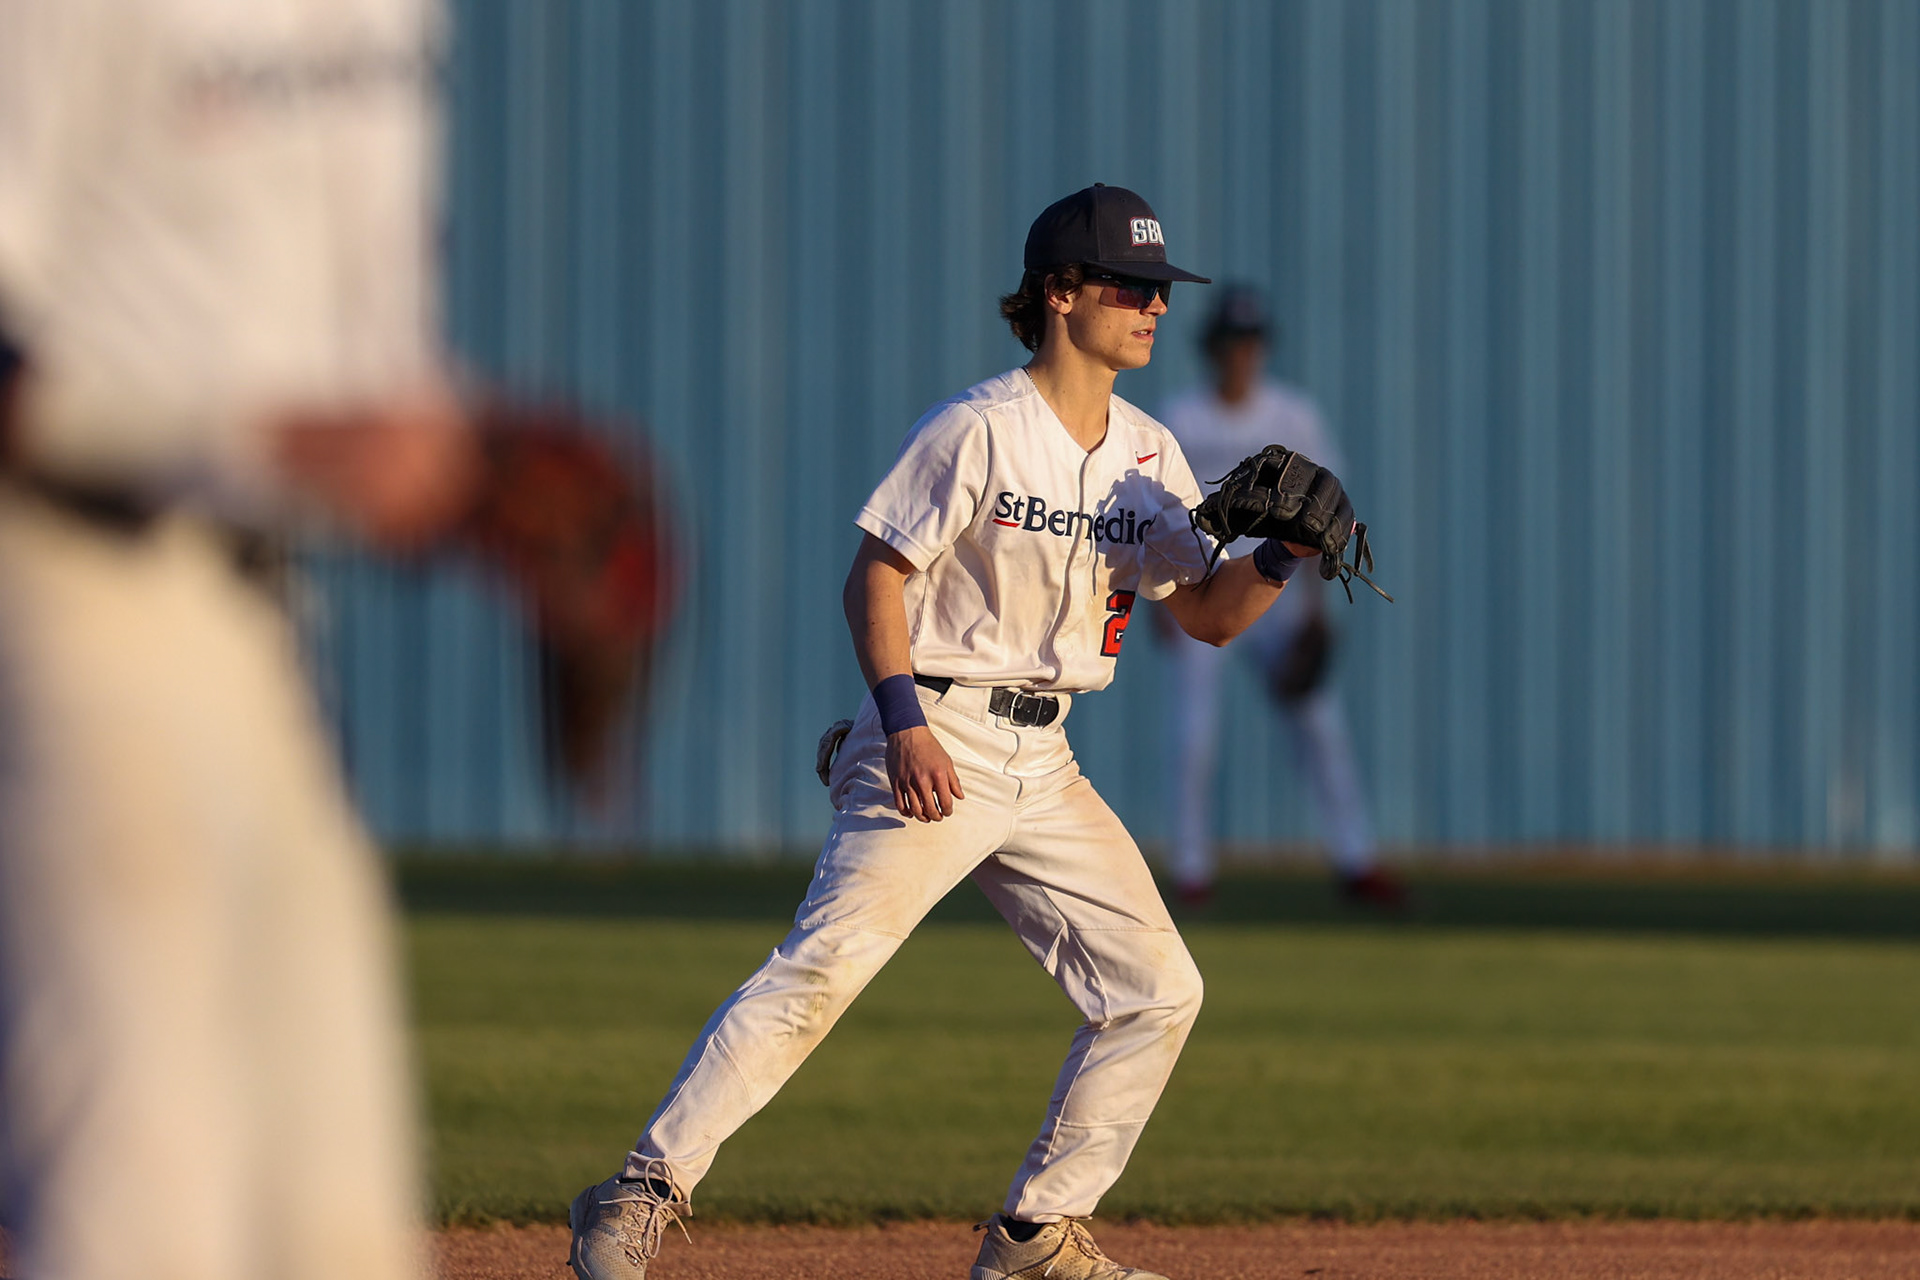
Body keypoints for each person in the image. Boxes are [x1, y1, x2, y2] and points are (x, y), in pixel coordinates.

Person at [567, 185, 1348, 1280]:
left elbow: (1208, 619)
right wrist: (900, 725)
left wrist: (1279, 559)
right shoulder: (979, 428)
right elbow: (874, 577)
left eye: (1161, 290)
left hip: (1048, 756)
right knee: (823, 968)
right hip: (932, 732)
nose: (1155, 306)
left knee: (1158, 988)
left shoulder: (1151, 453)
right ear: (1060, 293)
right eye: (1131, 284)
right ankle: (638, 1189)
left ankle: (1035, 1235)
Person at [0, 3, 472, 1277]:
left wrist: (461, 475)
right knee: (143, 1206)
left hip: (254, 614)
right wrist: (266, 439)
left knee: (337, 1223)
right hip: (60, 585)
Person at [1157, 285, 1403, 909]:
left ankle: (1357, 861)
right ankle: (1191, 870)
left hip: (1280, 594)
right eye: (1231, 341)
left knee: (1320, 727)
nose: (1241, 353)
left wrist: (1316, 614)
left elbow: (1327, 515)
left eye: (1250, 341)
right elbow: (1161, 514)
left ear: (1262, 347)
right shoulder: (1182, 417)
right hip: (1200, 581)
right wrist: (1161, 601)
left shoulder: (1293, 415)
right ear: (1211, 348)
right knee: (1195, 735)